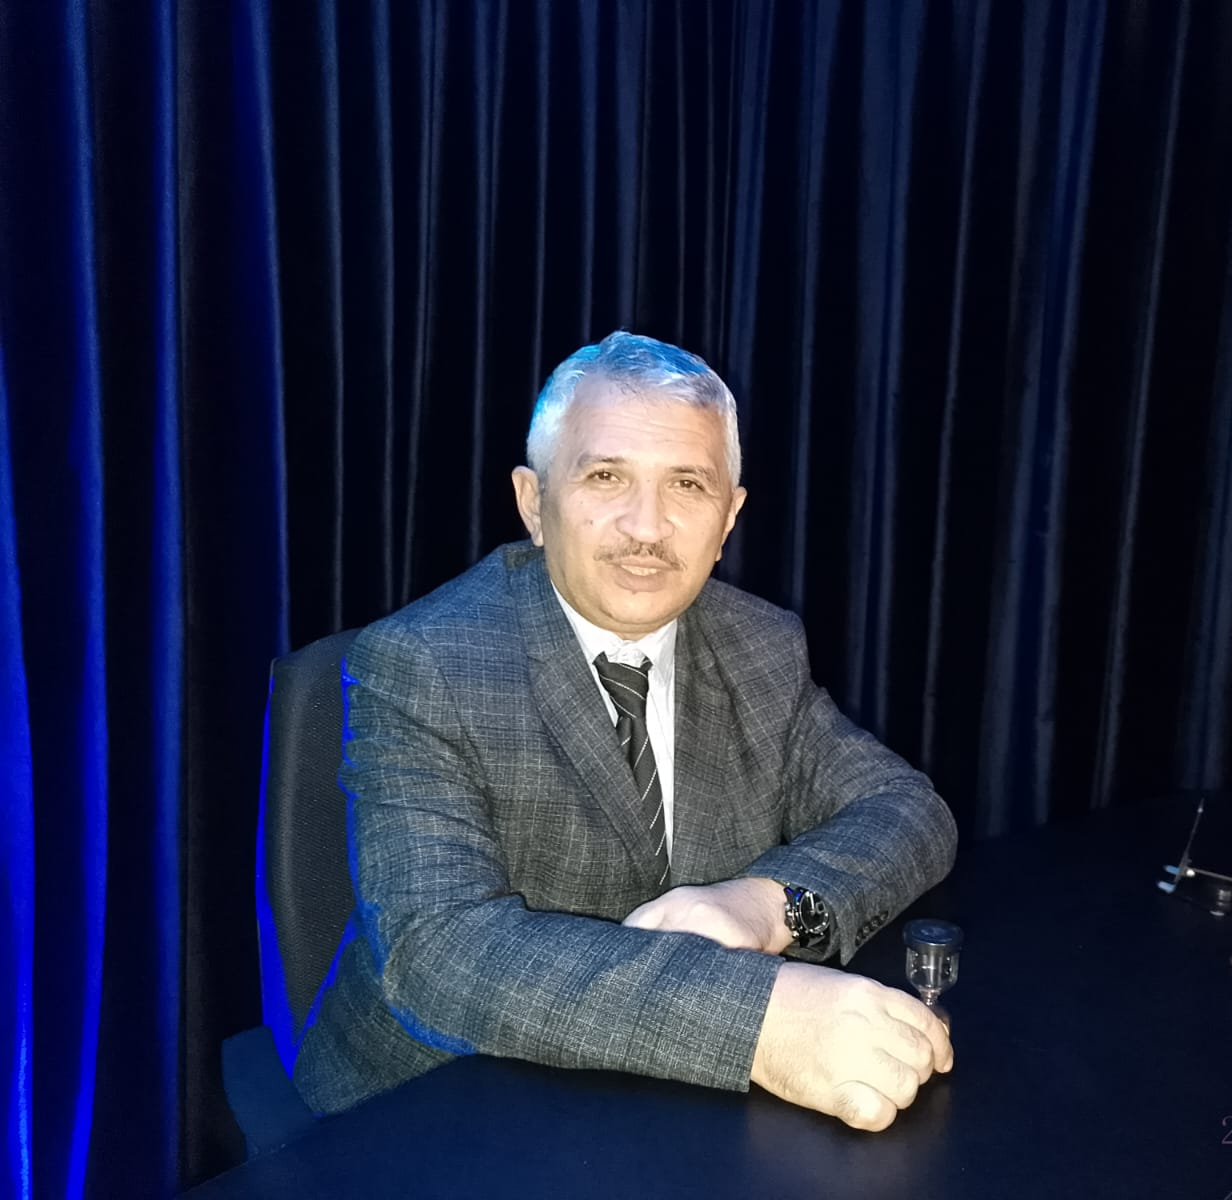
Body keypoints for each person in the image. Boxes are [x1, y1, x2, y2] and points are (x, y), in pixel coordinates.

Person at [293, 331, 958, 1132]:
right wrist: (759, 1018)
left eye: (688, 484)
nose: (647, 527)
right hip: (440, 1110)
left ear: (729, 517)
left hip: (667, 1113)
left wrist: (766, 906)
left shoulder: (761, 645)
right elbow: (438, 953)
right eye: (606, 476)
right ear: (534, 503)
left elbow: (909, 810)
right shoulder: (424, 662)